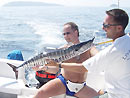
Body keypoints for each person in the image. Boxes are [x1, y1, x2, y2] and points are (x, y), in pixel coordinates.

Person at [46, 9, 130, 98]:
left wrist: (58, 65)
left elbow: (83, 68)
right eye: (103, 24)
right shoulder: (127, 39)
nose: (103, 28)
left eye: (106, 25)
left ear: (119, 28)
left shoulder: (110, 51)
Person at [33, 22, 99, 98]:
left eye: (68, 33)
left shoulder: (89, 48)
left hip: (81, 87)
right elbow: (55, 69)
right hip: (63, 83)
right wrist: (43, 68)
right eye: (64, 34)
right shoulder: (62, 50)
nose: (66, 36)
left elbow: (99, 56)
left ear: (76, 32)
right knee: (40, 93)